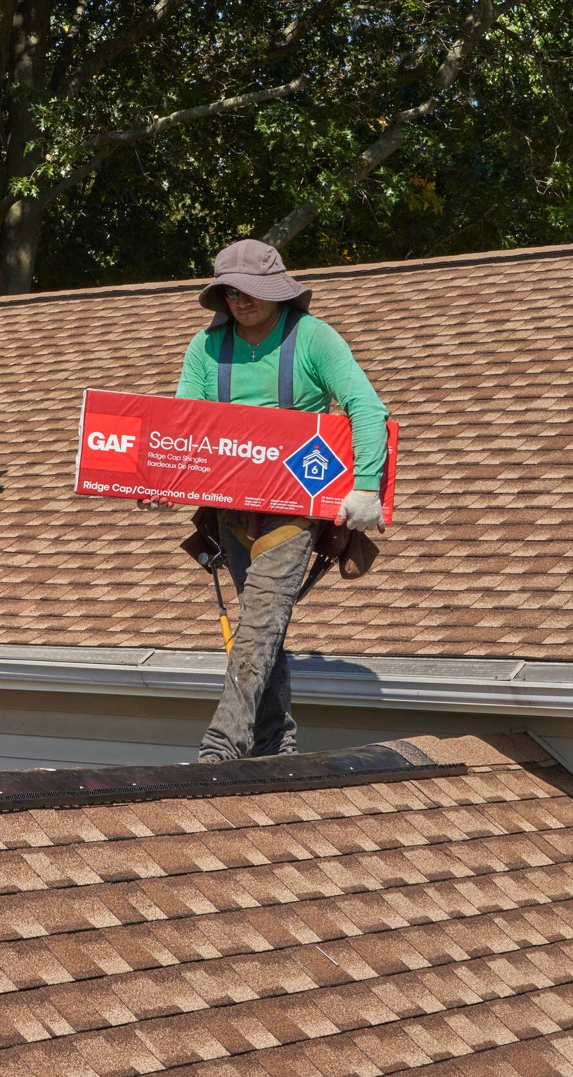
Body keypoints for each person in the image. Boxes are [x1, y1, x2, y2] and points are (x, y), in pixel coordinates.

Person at [170, 239, 389, 761]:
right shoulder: (206, 347)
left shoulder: (313, 339)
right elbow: (181, 427)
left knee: (260, 623)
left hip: (295, 509)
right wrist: (162, 482)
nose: (240, 301)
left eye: (250, 291)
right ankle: (275, 744)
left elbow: (366, 407)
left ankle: (221, 746)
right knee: (260, 625)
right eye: (230, 293)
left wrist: (366, 486)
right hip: (230, 510)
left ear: (278, 291)